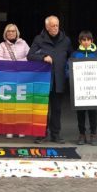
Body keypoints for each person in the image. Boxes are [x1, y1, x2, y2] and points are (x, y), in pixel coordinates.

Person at [27, 15, 72, 144]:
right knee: (43, 109)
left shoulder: (66, 40)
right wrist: (43, 57)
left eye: (57, 25)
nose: (55, 28)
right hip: (44, 80)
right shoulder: (39, 39)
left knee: (57, 109)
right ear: (47, 27)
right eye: (52, 26)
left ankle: (56, 134)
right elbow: (30, 55)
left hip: (59, 79)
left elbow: (72, 56)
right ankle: (42, 133)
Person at [0, 23, 30, 138]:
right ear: (5, 33)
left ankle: (20, 128)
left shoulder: (23, 43)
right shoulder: (2, 45)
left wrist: (18, 62)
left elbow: (30, 57)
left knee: (20, 105)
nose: (11, 33)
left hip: (21, 79)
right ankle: (9, 128)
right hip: (7, 79)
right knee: (8, 105)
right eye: (8, 31)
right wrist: (12, 64)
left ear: (17, 32)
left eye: (13, 31)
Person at [68, 30, 97, 146]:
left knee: (93, 113)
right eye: (83, 40)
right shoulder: (75, 55)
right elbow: (68, 69)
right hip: (80, 90)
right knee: (80, 113)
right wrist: (70, 76)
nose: (86, 42)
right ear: (80, 41)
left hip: (93, 90)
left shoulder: (96, 55)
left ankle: (93, 135)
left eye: (88, 40)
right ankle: (82, 134)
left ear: (92, 41)